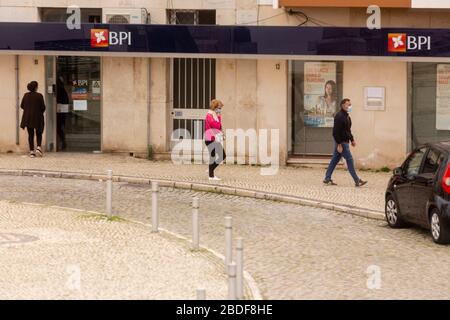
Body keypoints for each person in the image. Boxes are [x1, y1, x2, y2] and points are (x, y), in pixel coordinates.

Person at [323, 98, 367, 187]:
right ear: (343, 105)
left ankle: (327, 178)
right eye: (348, 104)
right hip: (342, 143)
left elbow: (347, 130)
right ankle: (357, 180)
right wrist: (339, 144)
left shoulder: (347, 116)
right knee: (350, 160)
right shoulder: (339, 116)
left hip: (344, 141)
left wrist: (352, 139)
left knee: (334, 160)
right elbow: (335, 132)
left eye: (350, 104)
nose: (350, 106)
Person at [20, 81, 46, 158]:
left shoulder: (26, 95)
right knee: (39, 133)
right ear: (36, 87)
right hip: (38, 117)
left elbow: (22, 106)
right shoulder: (39, 96)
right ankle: (38, 147)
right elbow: (43, 107)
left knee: (30, 135)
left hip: (28, 118)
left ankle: (32, 152)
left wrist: (28, 109)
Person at [205, 99, 226, 181]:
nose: (220, 109)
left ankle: (211, 172)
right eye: (219, 107)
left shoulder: (215, 114)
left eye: (220, 108)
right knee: (221, 155)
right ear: (215, 107)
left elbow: (219, 126)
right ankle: (211, 174)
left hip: (213, 138)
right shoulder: (209, 115)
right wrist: (219, 116)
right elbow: (214, 126)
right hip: (210, 139)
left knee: (214, 156)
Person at [56, 76, 69, 150]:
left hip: (60, 112)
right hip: (61, 112)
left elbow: (63, 101)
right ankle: (62, 141)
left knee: (58, 127)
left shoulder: (60, 90)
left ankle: (63, 141)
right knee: (60, 127)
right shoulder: (62, 90)